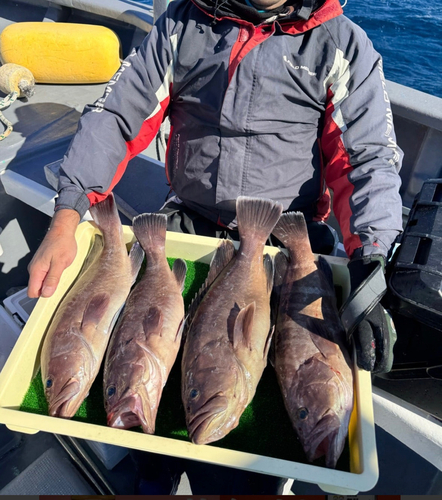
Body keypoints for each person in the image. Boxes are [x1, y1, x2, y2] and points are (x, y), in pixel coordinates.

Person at [27, 0, 403, 493]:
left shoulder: (342, 44)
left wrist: (372, 257)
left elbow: (368, 159)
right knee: (150, 410)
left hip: (285, 239)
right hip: (190, 225)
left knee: (247, 453)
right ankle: (150, 467)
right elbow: (119, 115)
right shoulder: (181, 26)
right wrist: (68, 210)